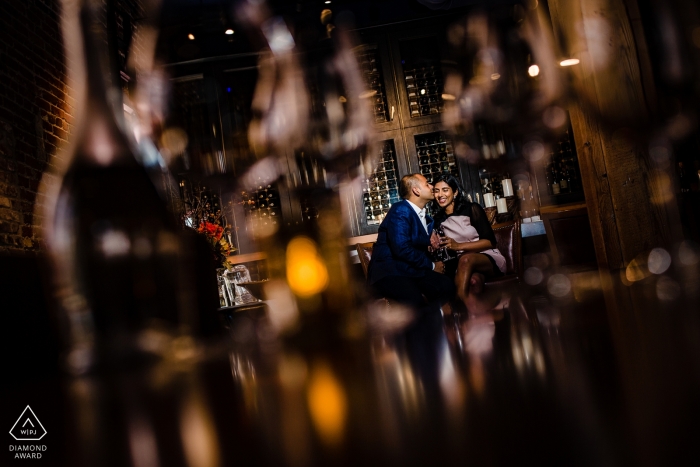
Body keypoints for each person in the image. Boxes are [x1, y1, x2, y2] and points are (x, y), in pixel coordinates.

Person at [367, 173, 455, 313]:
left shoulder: (424, 216)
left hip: (410, 270)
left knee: (446, 285)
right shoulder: (400, 210)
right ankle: (424, 330)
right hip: (391, 272)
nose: (432, 187)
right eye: (427, 184)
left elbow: (416, 244)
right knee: (413, 300)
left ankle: (435, 325)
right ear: (416, 190)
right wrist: (432, 265)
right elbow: (401, 248)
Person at [430, 174, 506, 305]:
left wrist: (458, 246)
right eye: (437, 191)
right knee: (473, 281)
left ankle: (460, 312)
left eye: (445, 190)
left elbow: (490, 242)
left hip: (486, 256)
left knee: (466, 259)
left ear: (455, 192)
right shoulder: (437, 220)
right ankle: (477, 318)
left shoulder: (472, 209)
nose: (440, 194)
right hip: (460, 265)